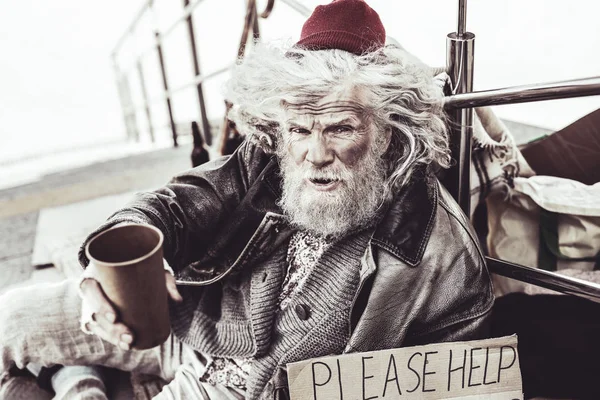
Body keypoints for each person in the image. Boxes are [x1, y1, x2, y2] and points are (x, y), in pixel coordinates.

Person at [0, 0, 494, 398]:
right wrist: (100, 270)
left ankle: (77, 383)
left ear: (389, 131)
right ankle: (80, 379)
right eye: (299, 129)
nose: (314, 153)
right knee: (9, 318)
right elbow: (176, 203)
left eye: (341, 128)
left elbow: (465, 380)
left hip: (249, 390)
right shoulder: (266, 160)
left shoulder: (442, 253)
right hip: (184, 327)